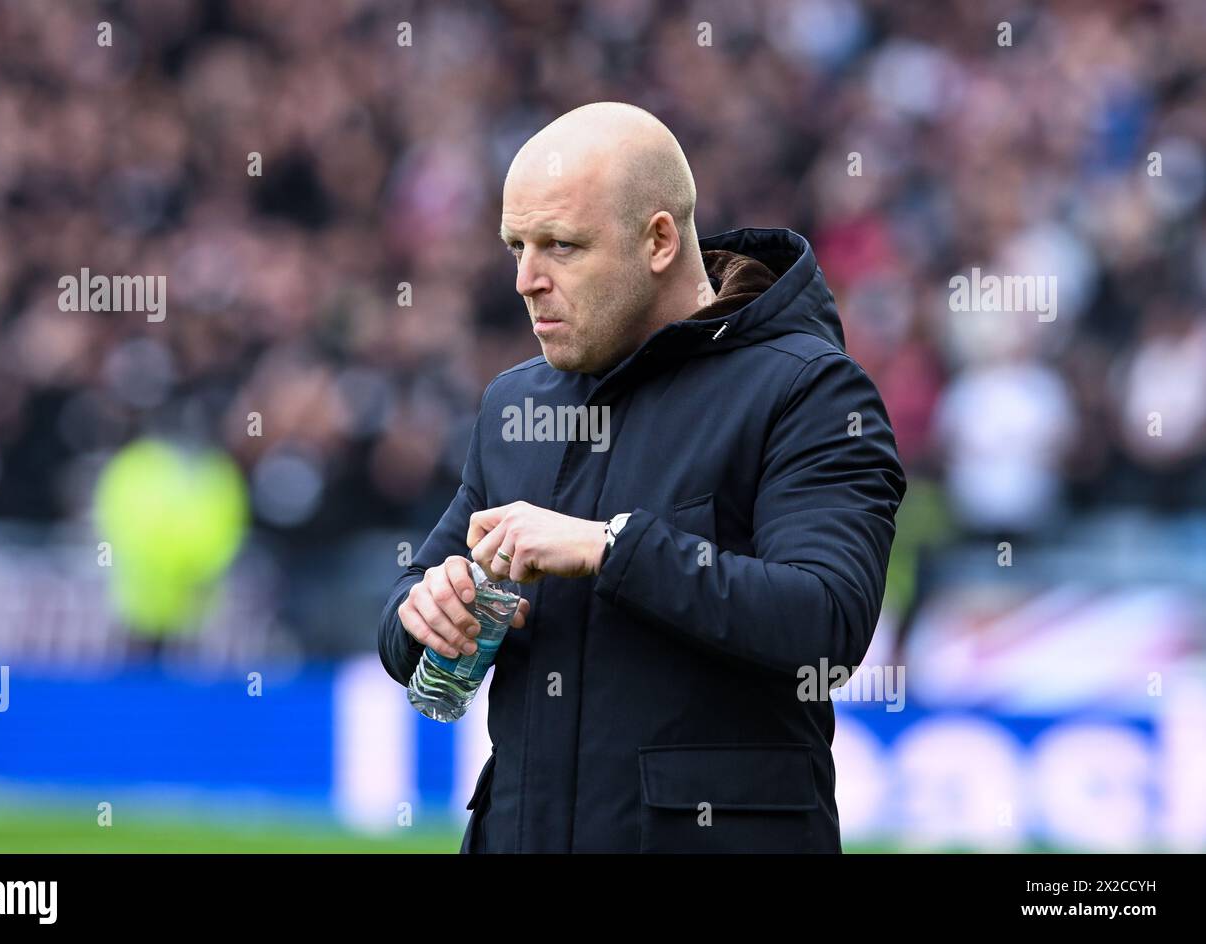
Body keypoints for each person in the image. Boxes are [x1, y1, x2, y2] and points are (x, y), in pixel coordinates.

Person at [377, 102, 906, 853]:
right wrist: (424, 610)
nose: (526, 280)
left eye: (560, 245)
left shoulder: (809, 389)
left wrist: (612, 548)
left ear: (659, 240)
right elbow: (412, 601)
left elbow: (827, 623)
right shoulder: (514, 403)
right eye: (515, 246)